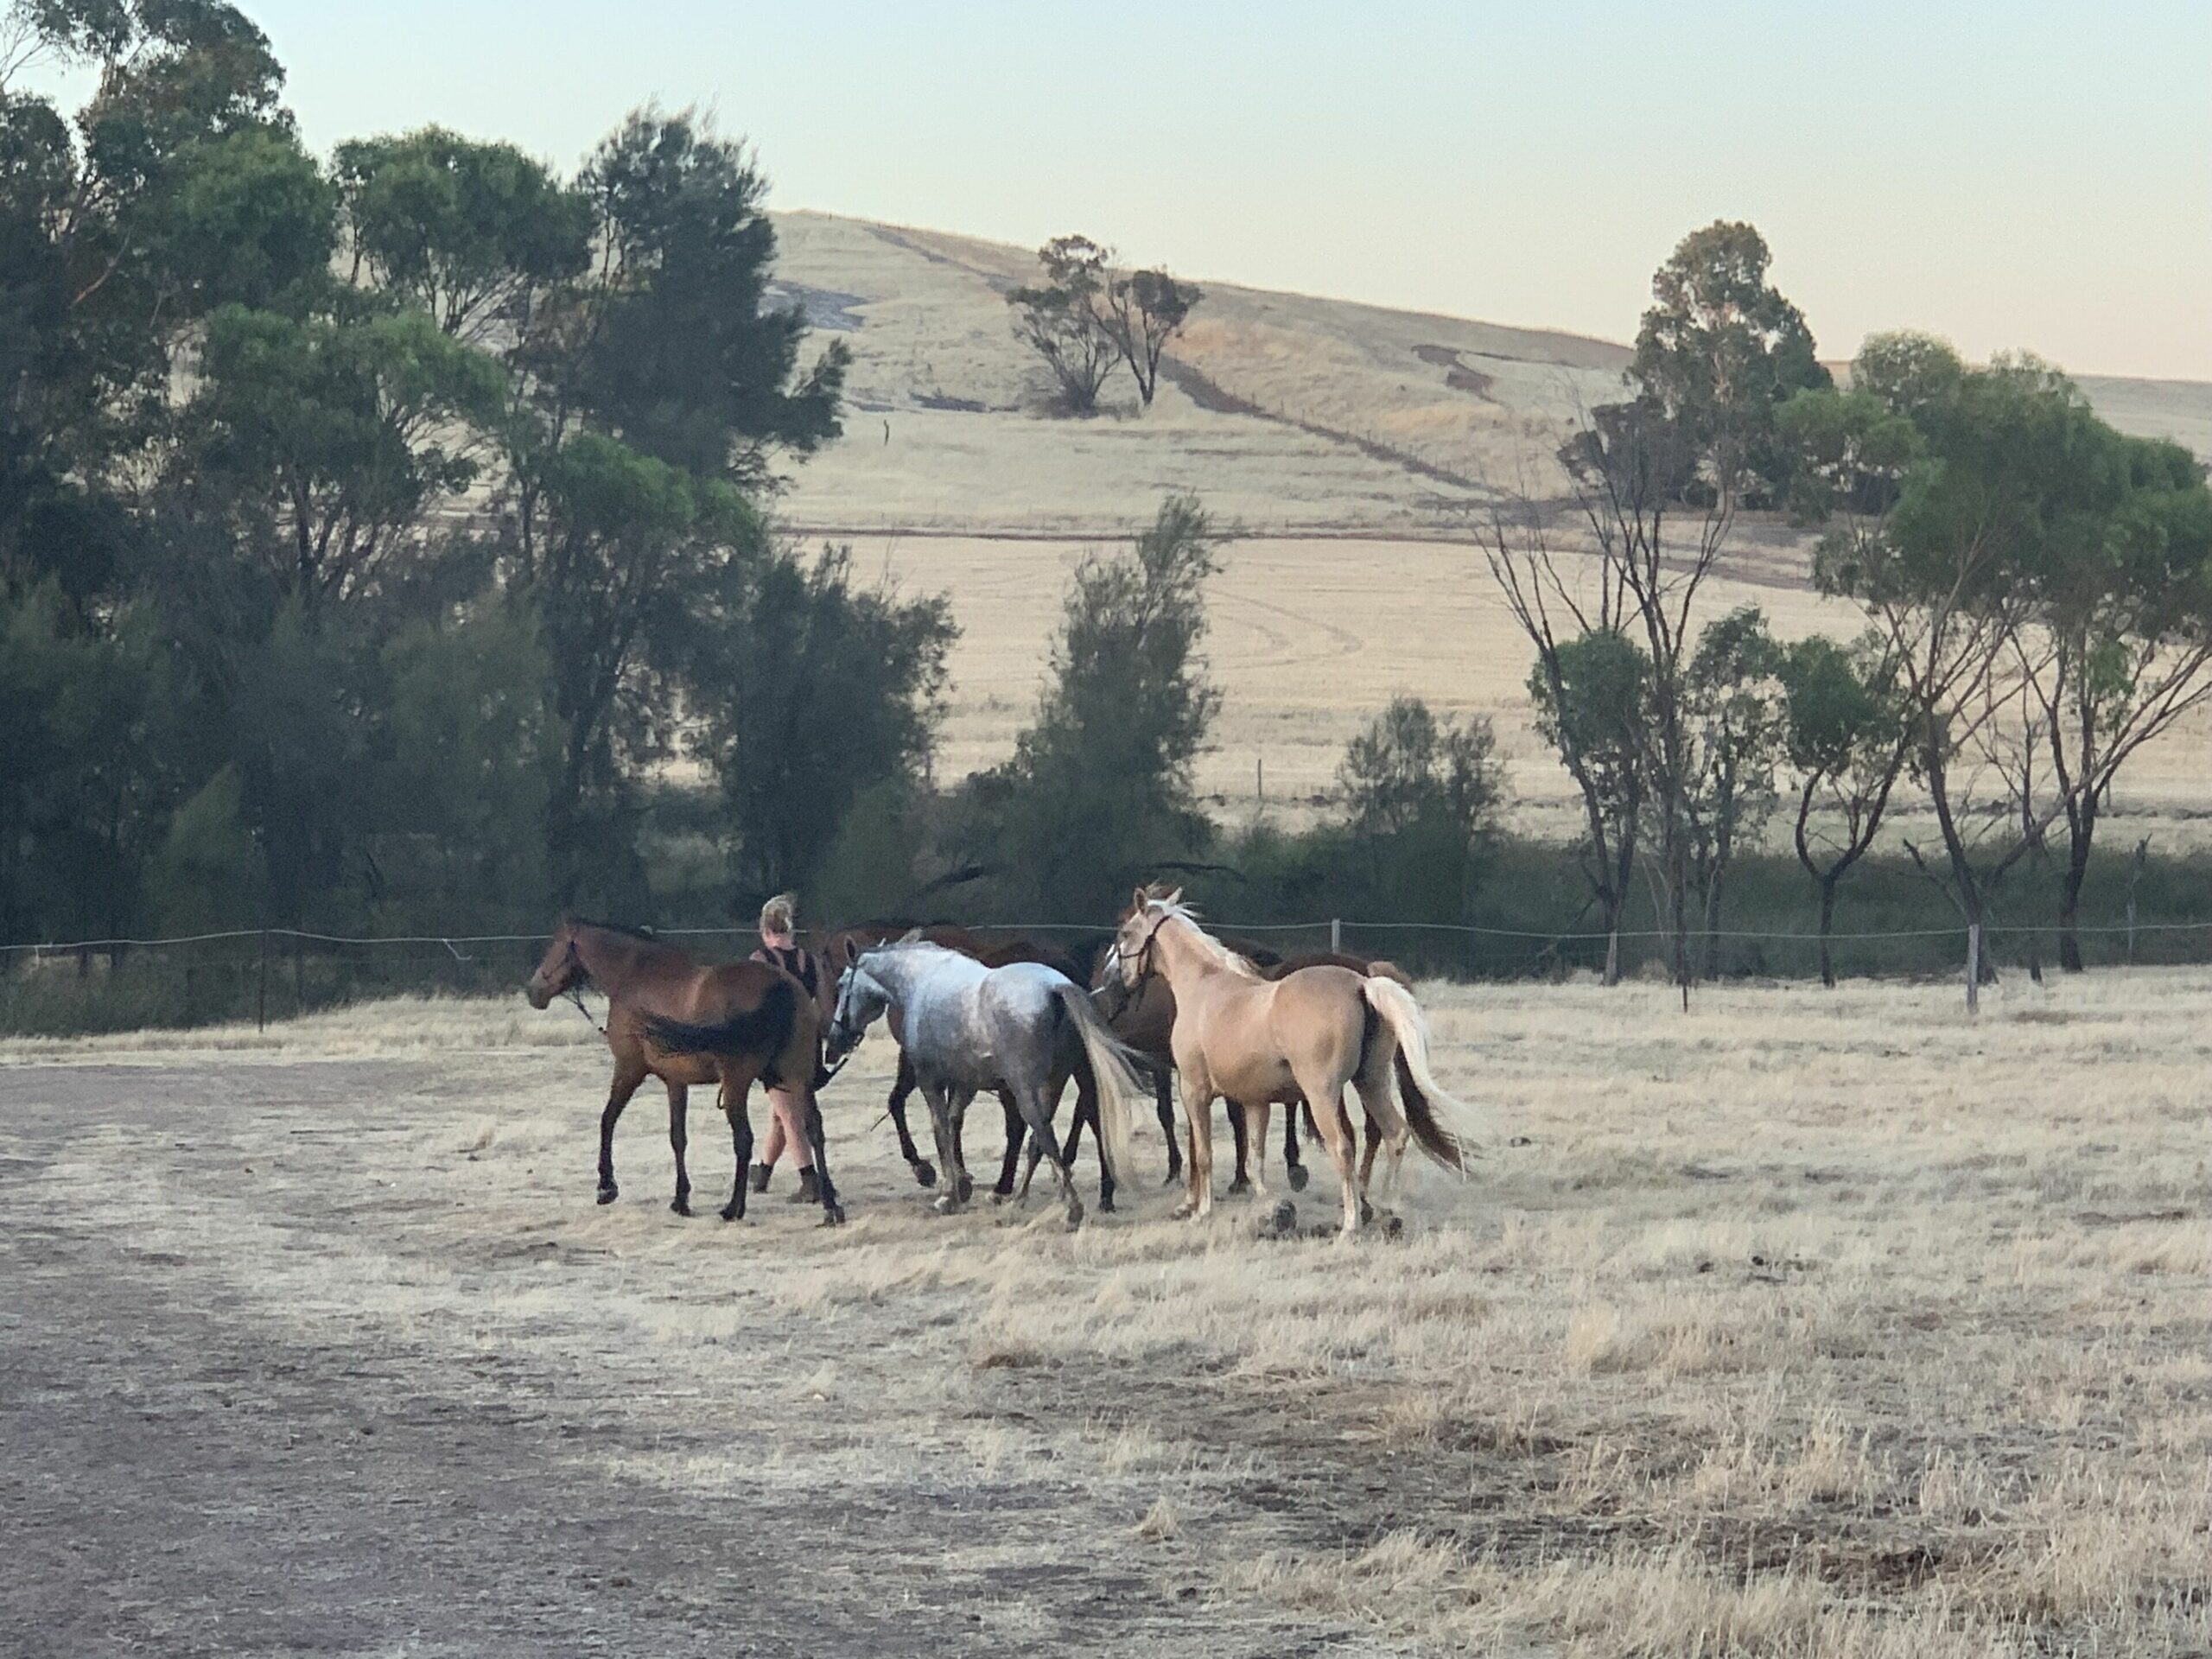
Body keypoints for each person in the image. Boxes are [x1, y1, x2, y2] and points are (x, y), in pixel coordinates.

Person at [747, 893, 825, 1203]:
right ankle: (763, 1171)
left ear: (766, 931)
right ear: (791, 930)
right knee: (781, 1114)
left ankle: (809, 1180)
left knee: (790, 1115)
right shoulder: (812, 962)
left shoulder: (759, 961)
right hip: (808, 1048)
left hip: (777, 1050)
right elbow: (823, 1009)